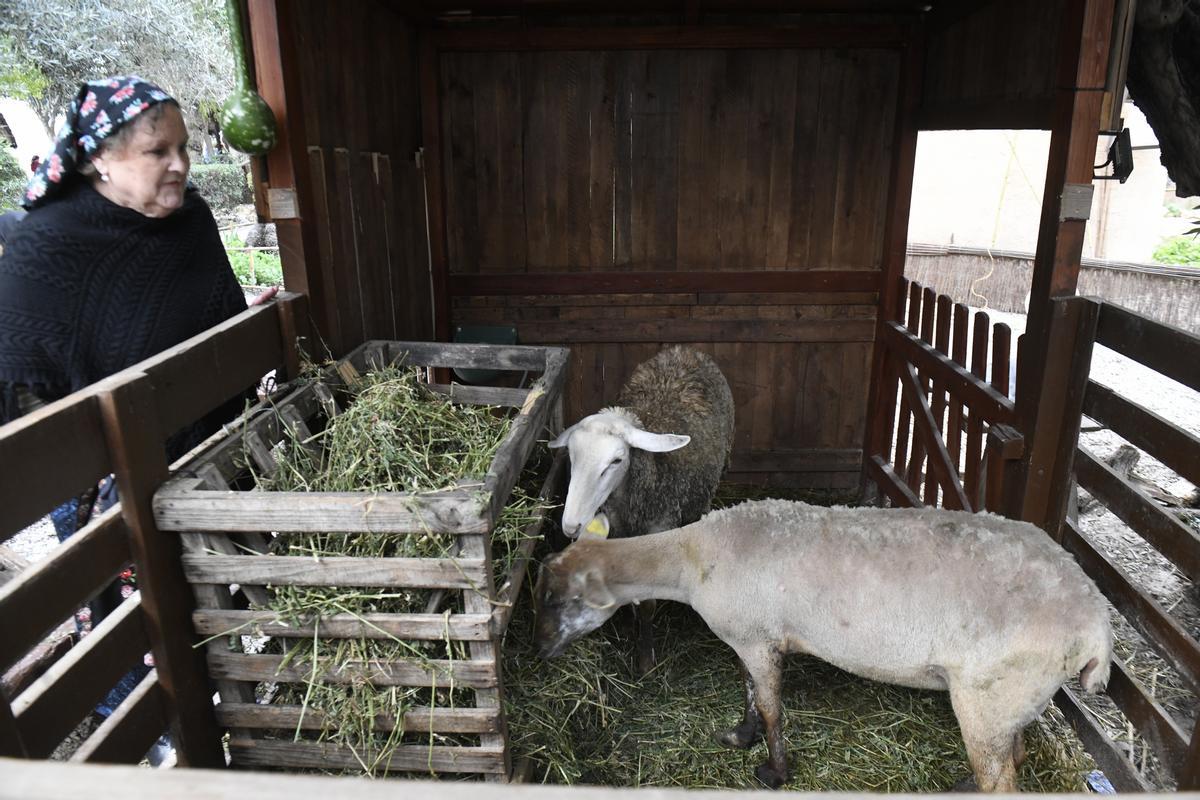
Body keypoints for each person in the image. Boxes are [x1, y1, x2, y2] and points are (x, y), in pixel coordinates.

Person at [0, 76, 254, 766]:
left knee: (202, 605)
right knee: (126, 628)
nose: (179, 164)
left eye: (181, 148)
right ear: (101, 159)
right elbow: (23, 387)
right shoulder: (48, 249)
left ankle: (213, 726)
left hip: (203, 458)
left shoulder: (190, 223)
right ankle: (147, 751)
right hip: (101, 480)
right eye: (157, 150)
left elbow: (222, 325)